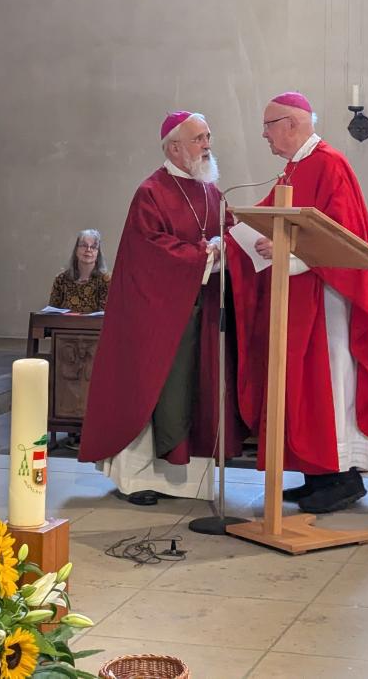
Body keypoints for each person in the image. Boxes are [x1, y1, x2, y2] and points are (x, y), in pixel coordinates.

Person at [229, 92, 368, 515]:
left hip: (329, 298)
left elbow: (341, 235)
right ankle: (318, 476)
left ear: (291, 124)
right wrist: (240, 230)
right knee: (303, 387)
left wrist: (286, 254)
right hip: (300, 296)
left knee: (330, 386)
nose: (264, 135)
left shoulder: (329, 163)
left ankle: (341, 478)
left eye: (268, 126)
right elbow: (269, 218)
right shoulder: (295, 168)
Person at [78, 111, 244, 505]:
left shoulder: (210, 190)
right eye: (199, 139)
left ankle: (185, 482)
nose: (207, 145)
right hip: (156, 316)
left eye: (208, 137)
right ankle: (138, 480)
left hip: (199, 312)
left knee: (195, 389)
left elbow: (229, 230)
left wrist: (228, 245)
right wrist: (203, 255)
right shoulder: (150, 192)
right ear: (174, 147)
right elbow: (150, 251)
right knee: (153, 388)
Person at [48, 229, 111, 314]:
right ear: (76, 250)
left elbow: (104, 316)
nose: (88, 249)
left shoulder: (106, 280)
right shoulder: (61, 279)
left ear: (98, 253)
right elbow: (50, 315)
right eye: (84, 245)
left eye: (93, 247)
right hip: (64, 326)